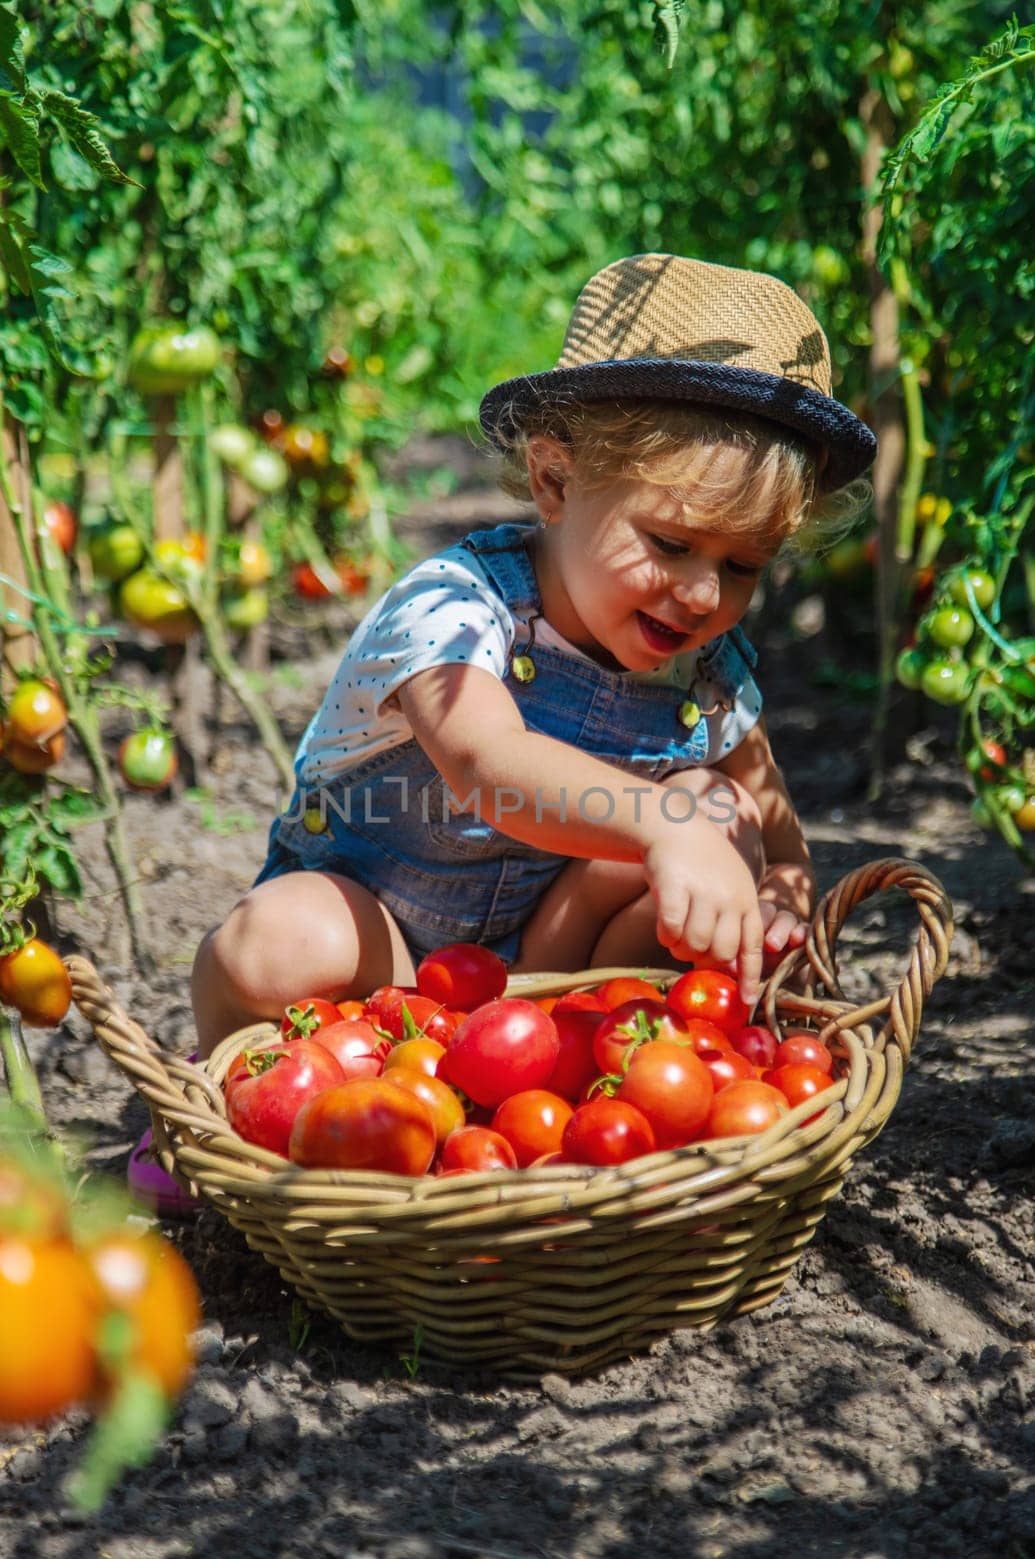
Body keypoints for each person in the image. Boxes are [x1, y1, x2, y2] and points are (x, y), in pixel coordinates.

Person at [190, 253, 875, 1057]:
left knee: (721, 811)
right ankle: (227, 1100)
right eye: (670, 544)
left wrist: (778, 902)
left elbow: (782, 843)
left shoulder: (705, 668)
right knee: (279, 939)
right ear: (553, 481)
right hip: (379, 962)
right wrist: (662, 823)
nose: (699, 595)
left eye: (742, 566)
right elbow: (488, 763)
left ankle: (596, 1070)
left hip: (547, 984)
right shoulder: (453, 607)